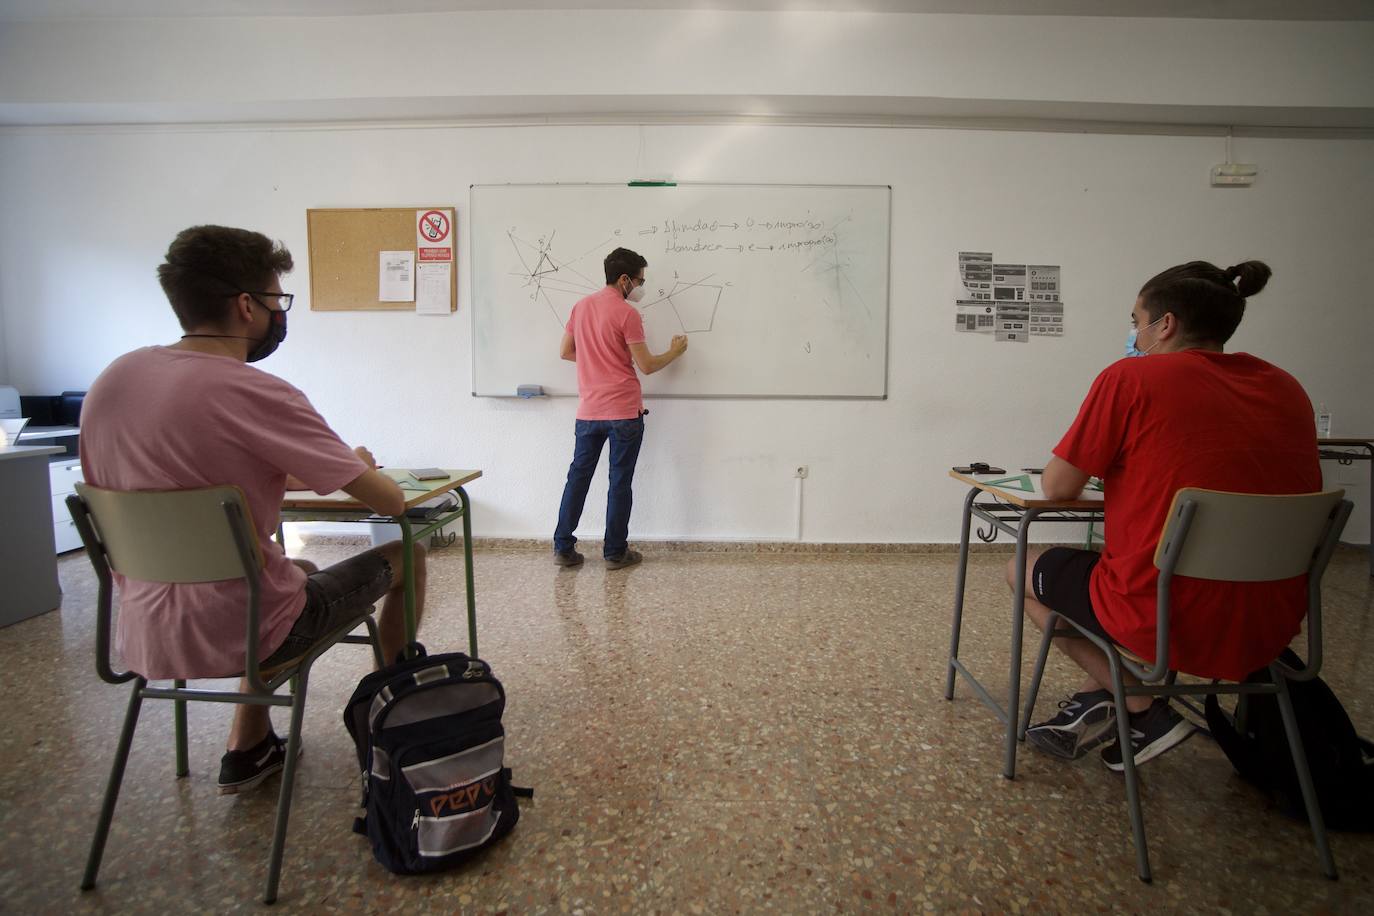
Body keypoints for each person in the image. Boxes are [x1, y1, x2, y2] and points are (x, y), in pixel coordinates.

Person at [80, 225, 427, 795]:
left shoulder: (113, 379)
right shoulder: (256, 391)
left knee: (293, 572)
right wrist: (348, 463)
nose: (278, 315)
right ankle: (391, 719)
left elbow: (194, 475)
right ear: (247, 306)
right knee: (407, 553)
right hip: (248, 630)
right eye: (276, 301)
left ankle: (249, 746)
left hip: (146, 629)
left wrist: (306, 468)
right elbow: (388, 500)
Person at [1016, 259, 1320, 770]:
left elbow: (1057, 485)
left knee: (1021, 569)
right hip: (1269, 622)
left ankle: (1141, 706)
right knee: (1143, 574)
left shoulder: (1131, 379)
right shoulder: (1287, 387)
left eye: (1136, 321)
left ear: (1166, 324)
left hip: (1162, 615)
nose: (1134, 333)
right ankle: (1100, 703)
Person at [552, 247, 688, 569]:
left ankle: (563, 548)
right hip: (624, 412)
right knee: (619, 481)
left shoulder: (581, 307)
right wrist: (674, 352)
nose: (640, 287)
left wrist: (597, 359)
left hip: (588, 412)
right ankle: (614, 553)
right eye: (640, 280)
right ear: (624, 279)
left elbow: (566, 352)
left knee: (578, 479)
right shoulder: (627, 314)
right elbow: (648, 365)